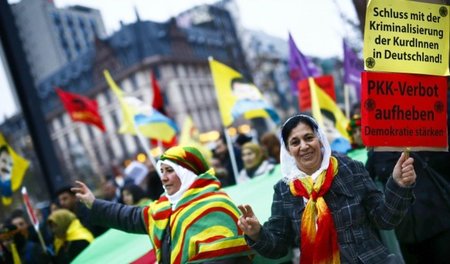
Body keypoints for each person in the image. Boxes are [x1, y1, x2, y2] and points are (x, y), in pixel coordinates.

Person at [238, 114, 416, 263]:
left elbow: (384, 219)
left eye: (309, 138)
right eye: (295, 142)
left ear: (320, 140)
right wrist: (256, 233)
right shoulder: (284, 190)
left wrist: (398, 185)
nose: (304, 146)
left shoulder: (350, 169)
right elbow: (278, 247)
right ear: (288, 150)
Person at [72, 146, 253, 264]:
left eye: (169, 171)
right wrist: (94, 203)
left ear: (187, 173)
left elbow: (225, 260)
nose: (164, 178)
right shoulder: (165, 206)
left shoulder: (216, 205)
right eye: (161, 171)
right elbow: (130, 217)